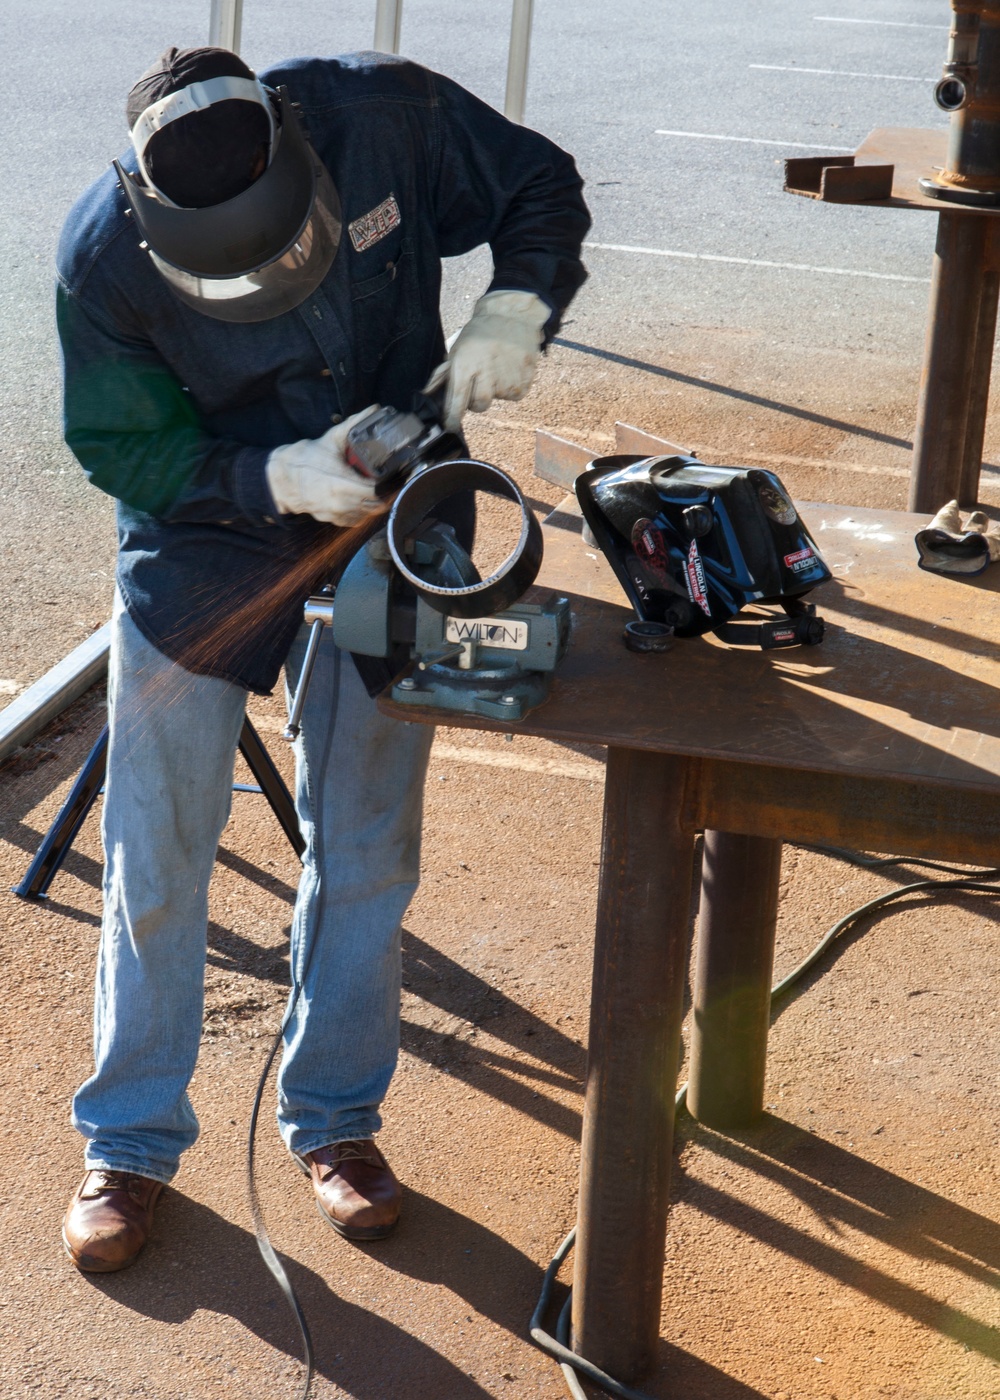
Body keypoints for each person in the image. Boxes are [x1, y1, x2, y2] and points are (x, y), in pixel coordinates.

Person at [56, 44, 589, 1272]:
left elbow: (538, 188)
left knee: (366, 841)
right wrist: (264, 478)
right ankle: (129, 1143)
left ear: (297, 148)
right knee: (160, 853)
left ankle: (337, 1121)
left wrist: (518, 304)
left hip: (397, 506)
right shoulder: (103, 256)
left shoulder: (384, 116)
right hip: (205, 539)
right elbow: (117, 443)